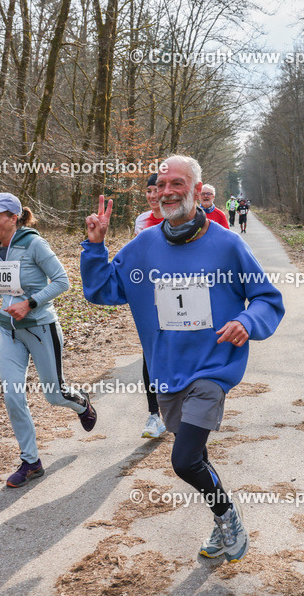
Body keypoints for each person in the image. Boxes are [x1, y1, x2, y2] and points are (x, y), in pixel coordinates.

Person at [80, 156, 285, 563]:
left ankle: (228, 516)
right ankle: (218, 514)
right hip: (166, 372)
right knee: (198, 457)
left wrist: (247, 320)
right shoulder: (143, 247)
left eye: (179, 182)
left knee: (184, 459)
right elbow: (101, 291)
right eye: (163, 183)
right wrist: (95, 246)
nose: (169, 190)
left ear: (196, 189)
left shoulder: (227, 244)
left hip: (212, 369)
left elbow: (267, 299)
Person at [0, 193, 97, 488]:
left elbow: (62, 281)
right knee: (12, 395)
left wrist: (29, 304)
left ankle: (82, 404)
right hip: (9, 331)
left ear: (12, 218)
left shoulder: (34, 244)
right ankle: (31, 461)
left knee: (54, 395)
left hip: (41, 329)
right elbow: (7, 283)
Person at [133, 173, 166, 438]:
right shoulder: (141, 221)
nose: (153, 195)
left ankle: (184, 409)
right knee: (150, 353)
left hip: (183, 298)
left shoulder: (181, 216)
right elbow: (137, 259)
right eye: (149, 191)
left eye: (157, 190)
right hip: (151, 297)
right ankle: (154, 414)